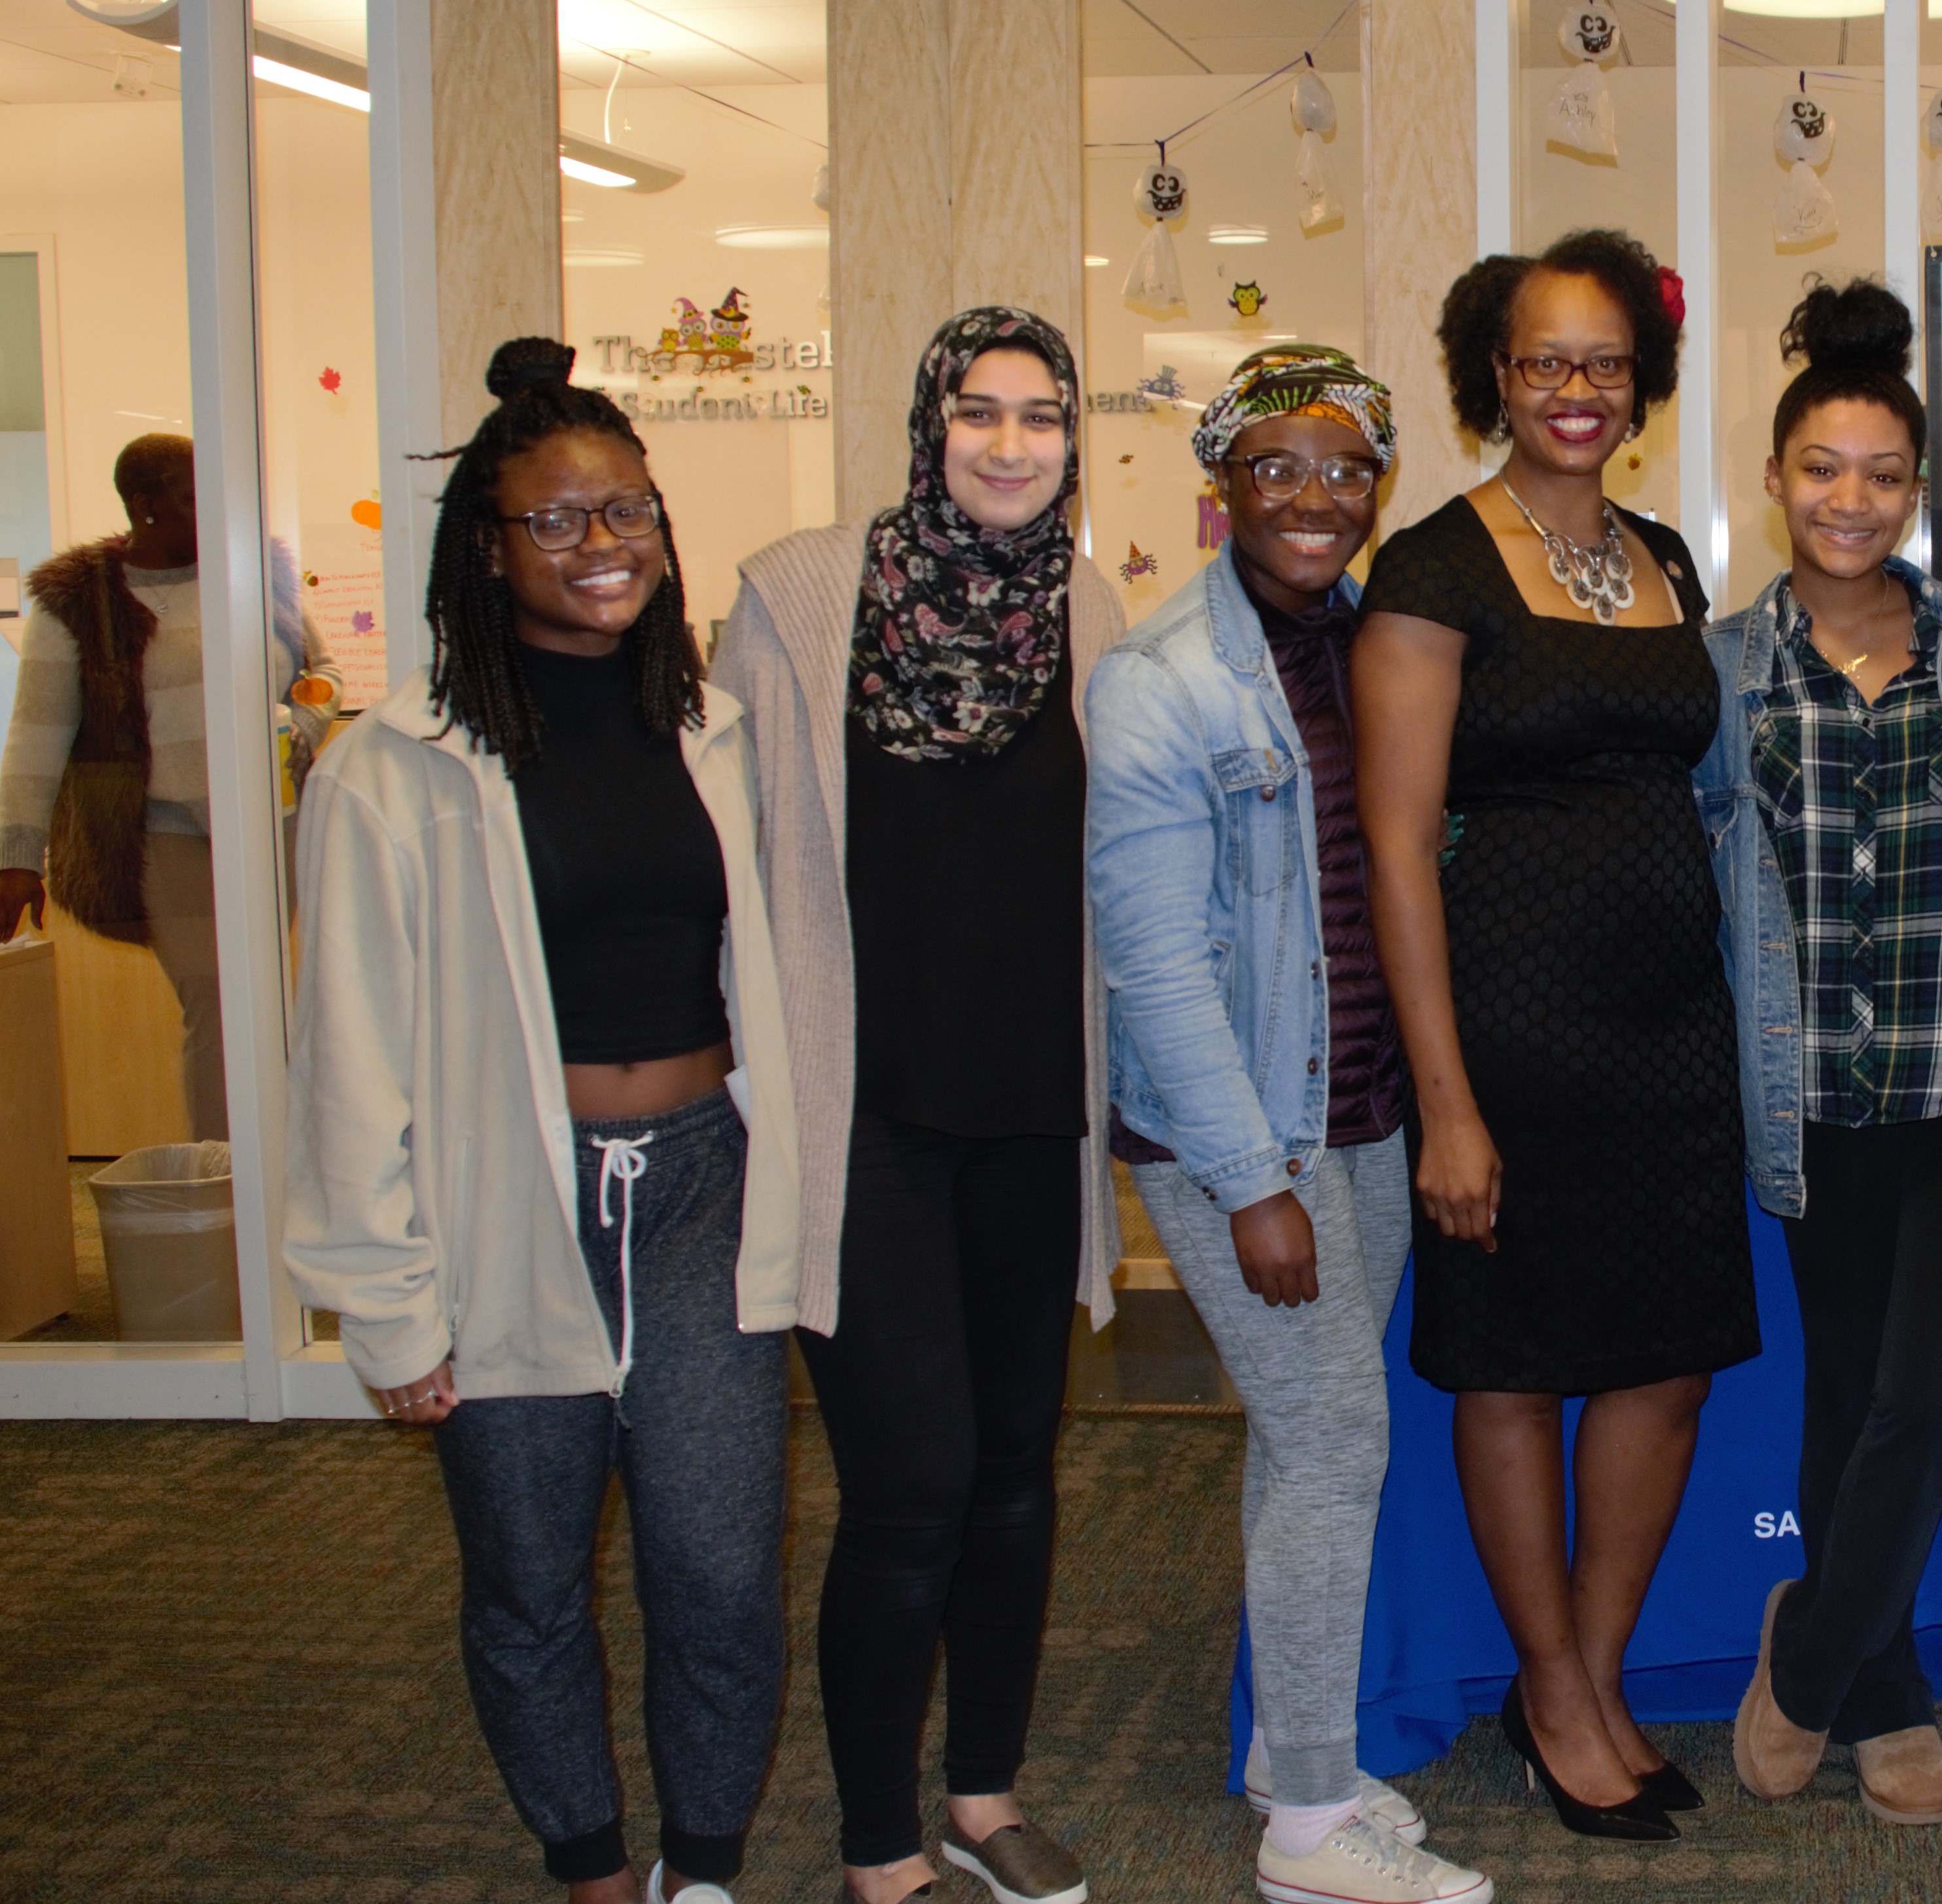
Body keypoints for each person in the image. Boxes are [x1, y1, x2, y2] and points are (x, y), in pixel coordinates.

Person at [282, 339, 803, 1904]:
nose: (603, 545)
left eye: (628, 511)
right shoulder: (395, 770)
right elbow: (349, 1059)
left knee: (721, 1571)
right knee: (528, 1581)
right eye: (558, 520)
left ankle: (701, 1866)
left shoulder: (709, 729)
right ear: (487, 547)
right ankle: (591, 1866)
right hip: (510, 1204)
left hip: (703, 1189)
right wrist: (386, 1298)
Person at [714, 307, 1125, 1904]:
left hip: (1031, 1110)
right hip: (862, 1115)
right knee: (909, 1485)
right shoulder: (800, 595)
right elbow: (730, 856)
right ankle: (878, 1837)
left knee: (1017, 1470)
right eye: (979, 410)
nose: (1011, 444)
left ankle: (981, 1792)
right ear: (926, 423)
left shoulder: (1090, 608)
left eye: (1042, 415)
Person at [1354, 226, 1752, 1844]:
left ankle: (1583, 1675)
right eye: (1543, 361)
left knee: (1666, 1365)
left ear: (1639, 381)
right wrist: (1445, 1102)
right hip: (1509, 1036)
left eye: (1604, 361)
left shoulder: (1664, 557)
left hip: (1672, 1032)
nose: (1575, 389)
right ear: (1493, 378)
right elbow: (1395, 847)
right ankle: (1556, 1685)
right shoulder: (1434, 566)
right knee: (1514, 1369)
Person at [1086, 345, 1491, 1904]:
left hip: (1362, 1115)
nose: (1314, 497)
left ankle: (1291, 1755)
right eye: (1276, 468)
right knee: (1335, 1443)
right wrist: (1250, 1180)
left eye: (1344, 469)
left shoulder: (1362, 640)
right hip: (1243, 1139)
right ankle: (1312, 1828)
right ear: (1222, 488)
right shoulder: (1164, 678)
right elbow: (1153, 967)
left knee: (1299, 1438)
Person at [1697, 280, 1942, 1828]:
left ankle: (1808, 1661)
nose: (1848, 500)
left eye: (1880, 473)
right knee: (1848, 1393)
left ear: (1914, 490)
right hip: (1811, 1094)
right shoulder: (1722, 665)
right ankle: (1889, 1692)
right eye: (1820, 468)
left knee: (1927, 1396)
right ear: (1774, 478)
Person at [1, 431, 340, 1140]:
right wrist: (17, 858)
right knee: (216, 999)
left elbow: (323, 670)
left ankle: (285, 1168)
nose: (215, 503)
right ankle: (230, 1179)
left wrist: (307, 723)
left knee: (263, 996)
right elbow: (35, 737)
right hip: (160, 830)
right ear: (145, 506)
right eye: (194, 494)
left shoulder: (255, 568)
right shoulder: (78, 602)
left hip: (270, 822)